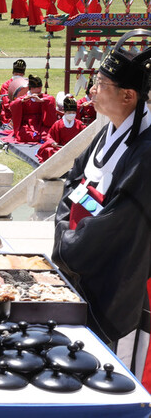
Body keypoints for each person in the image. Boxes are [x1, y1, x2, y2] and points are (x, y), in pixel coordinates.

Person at [52, 31, 151, 386]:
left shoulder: (146, 149)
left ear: (128, 95)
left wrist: (70, 245)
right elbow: (73, 181)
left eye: (101, 84)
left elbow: (121, 220)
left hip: (109, 274)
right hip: (78, 255)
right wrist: (65, 230)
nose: (91, 91)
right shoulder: (108, 131)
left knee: (100, 368)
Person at [37, 96, 87, 163]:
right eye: (69, 113)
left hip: (74, 148)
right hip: (60, 148)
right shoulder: (58, 124)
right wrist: (52, 143)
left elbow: (86, 135)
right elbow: (49, 136)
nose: (72, 115)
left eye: (73, 113)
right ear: (64, 112)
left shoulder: (79, 124)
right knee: (49, 151)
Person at [9, 75, 57, 143]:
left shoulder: (43, 97)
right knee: (23, 134)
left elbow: (51, 100)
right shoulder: (25, 97)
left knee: (47, 134)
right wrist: (21, 101)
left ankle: (39, 137)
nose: (38, 93)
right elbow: (12, 105)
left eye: (39, 89)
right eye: (36, 91)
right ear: (30, 88)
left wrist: (41, 100)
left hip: (41, 123)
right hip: (27, 124)